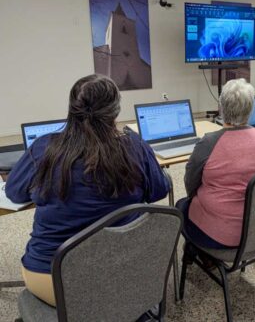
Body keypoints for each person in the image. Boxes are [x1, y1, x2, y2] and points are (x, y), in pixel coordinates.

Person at [6, 75, 169, 307]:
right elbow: (159, 191)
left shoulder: (44, 148)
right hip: (124, 273)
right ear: (116, 111)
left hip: (51, 279)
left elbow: (14, 193)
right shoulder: (136, 147)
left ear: (72, 108)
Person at [176, 79, 255, 249]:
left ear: (221, 108)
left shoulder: (208, 142)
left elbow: (190, 182)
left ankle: (200, 253)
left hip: (220, 235)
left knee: (181, 205)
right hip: (254, 228)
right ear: (251, 108)